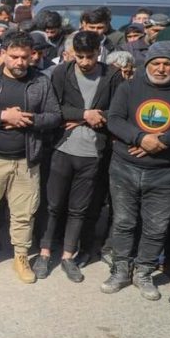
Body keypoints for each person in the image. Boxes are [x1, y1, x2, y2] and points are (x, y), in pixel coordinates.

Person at [0, 32, 62, 283]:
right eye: (14, 56)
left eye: (25, 57)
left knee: (24, 213)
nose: (20, 62)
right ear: (3, 54)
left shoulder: (40, 81)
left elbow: (54, 116)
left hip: (26, 160)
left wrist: (29, 120)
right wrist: (3, 117)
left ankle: (21, 256)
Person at [35, 31, 122, 282]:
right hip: (62, 149)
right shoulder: (62, 72)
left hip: (93, 153)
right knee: (53, 205)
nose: (84, 62)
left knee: (78, 208)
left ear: (99, 52)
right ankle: (44, 253)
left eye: (90, 56)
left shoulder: (112, 75)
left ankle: (68, 256)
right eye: (80, 56)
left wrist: (96, 116)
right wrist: (84, 114)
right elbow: (53, 107)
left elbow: (118, 111)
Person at [101, 41, 170, 301]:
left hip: (165, 173)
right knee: (123, 222)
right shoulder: (129, 87)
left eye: (167, 64)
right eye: (156, 63)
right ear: (147, 64)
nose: (161, 69)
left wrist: (162, 141)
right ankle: (120, 269)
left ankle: (143, 272)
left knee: (156, 227)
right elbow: (114, 119)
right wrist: (140, 138)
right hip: (125, 167)